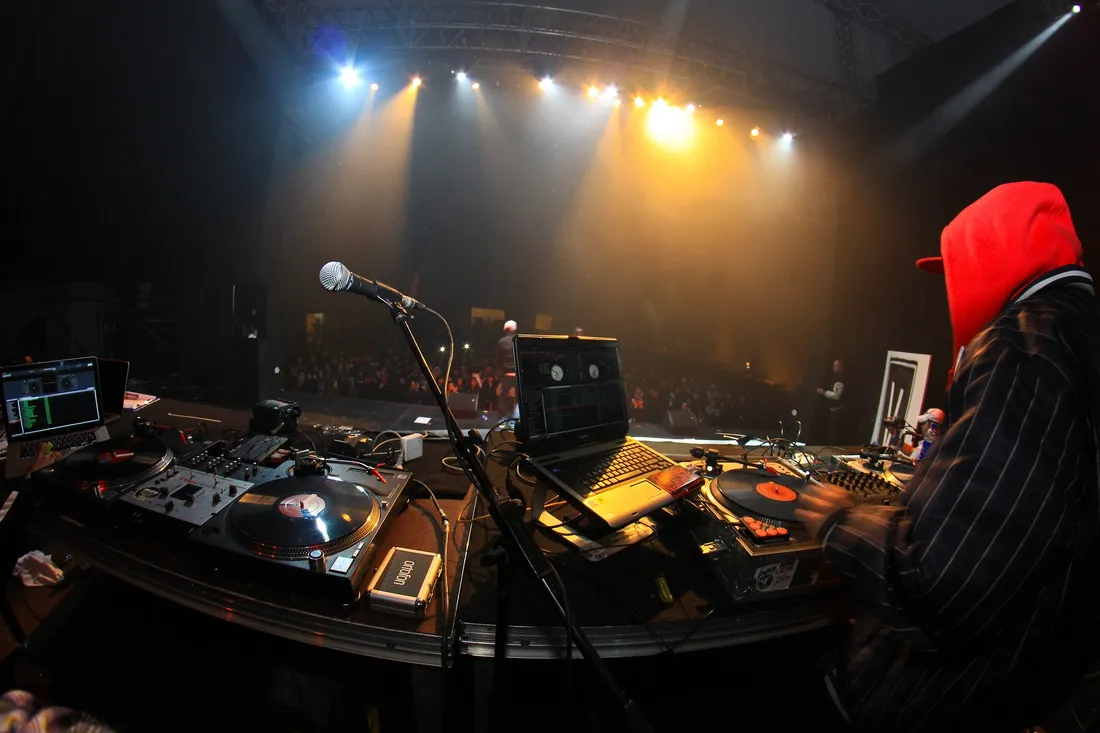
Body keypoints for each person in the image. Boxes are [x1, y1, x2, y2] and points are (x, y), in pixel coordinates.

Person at [796, 182, 1100, 732]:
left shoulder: (1022, 348)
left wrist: (841, 520)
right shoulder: (1081, 340)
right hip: (1024, 690)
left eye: (954, 269)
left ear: (988, 253)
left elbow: (940, 584)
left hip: (926, 708)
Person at [816, 359, 846, 443]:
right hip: (829, 411)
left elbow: (837, 396)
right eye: (834, 366)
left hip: (837, 412)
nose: (835, 368)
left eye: (837, 366)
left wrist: (824, 392)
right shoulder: (833, 377)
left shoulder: (841, 379)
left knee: (832, 433)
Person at [496, 320, 518, 416]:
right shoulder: (519, 340)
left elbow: (498, 363)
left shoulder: (501, 342)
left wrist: (500, 382)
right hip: (518, 377)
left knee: (504, 408)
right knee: (517, 406)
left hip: (506, 377)